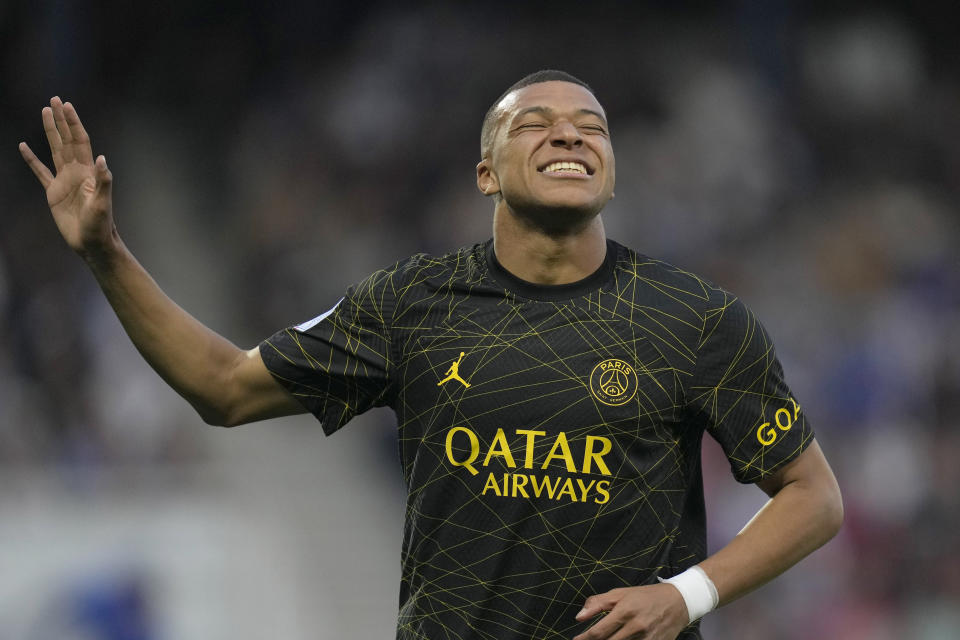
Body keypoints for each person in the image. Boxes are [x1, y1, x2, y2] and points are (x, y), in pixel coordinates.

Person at [20, 70, 843, 640]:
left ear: (610, 172)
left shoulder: (695, 319)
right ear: (487, 173)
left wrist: (686, 594)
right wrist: (106, 253)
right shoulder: (411, 304)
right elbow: (224, 388)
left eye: (592, 128)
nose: (570, 134)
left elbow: (813, 497)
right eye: (536, 123)